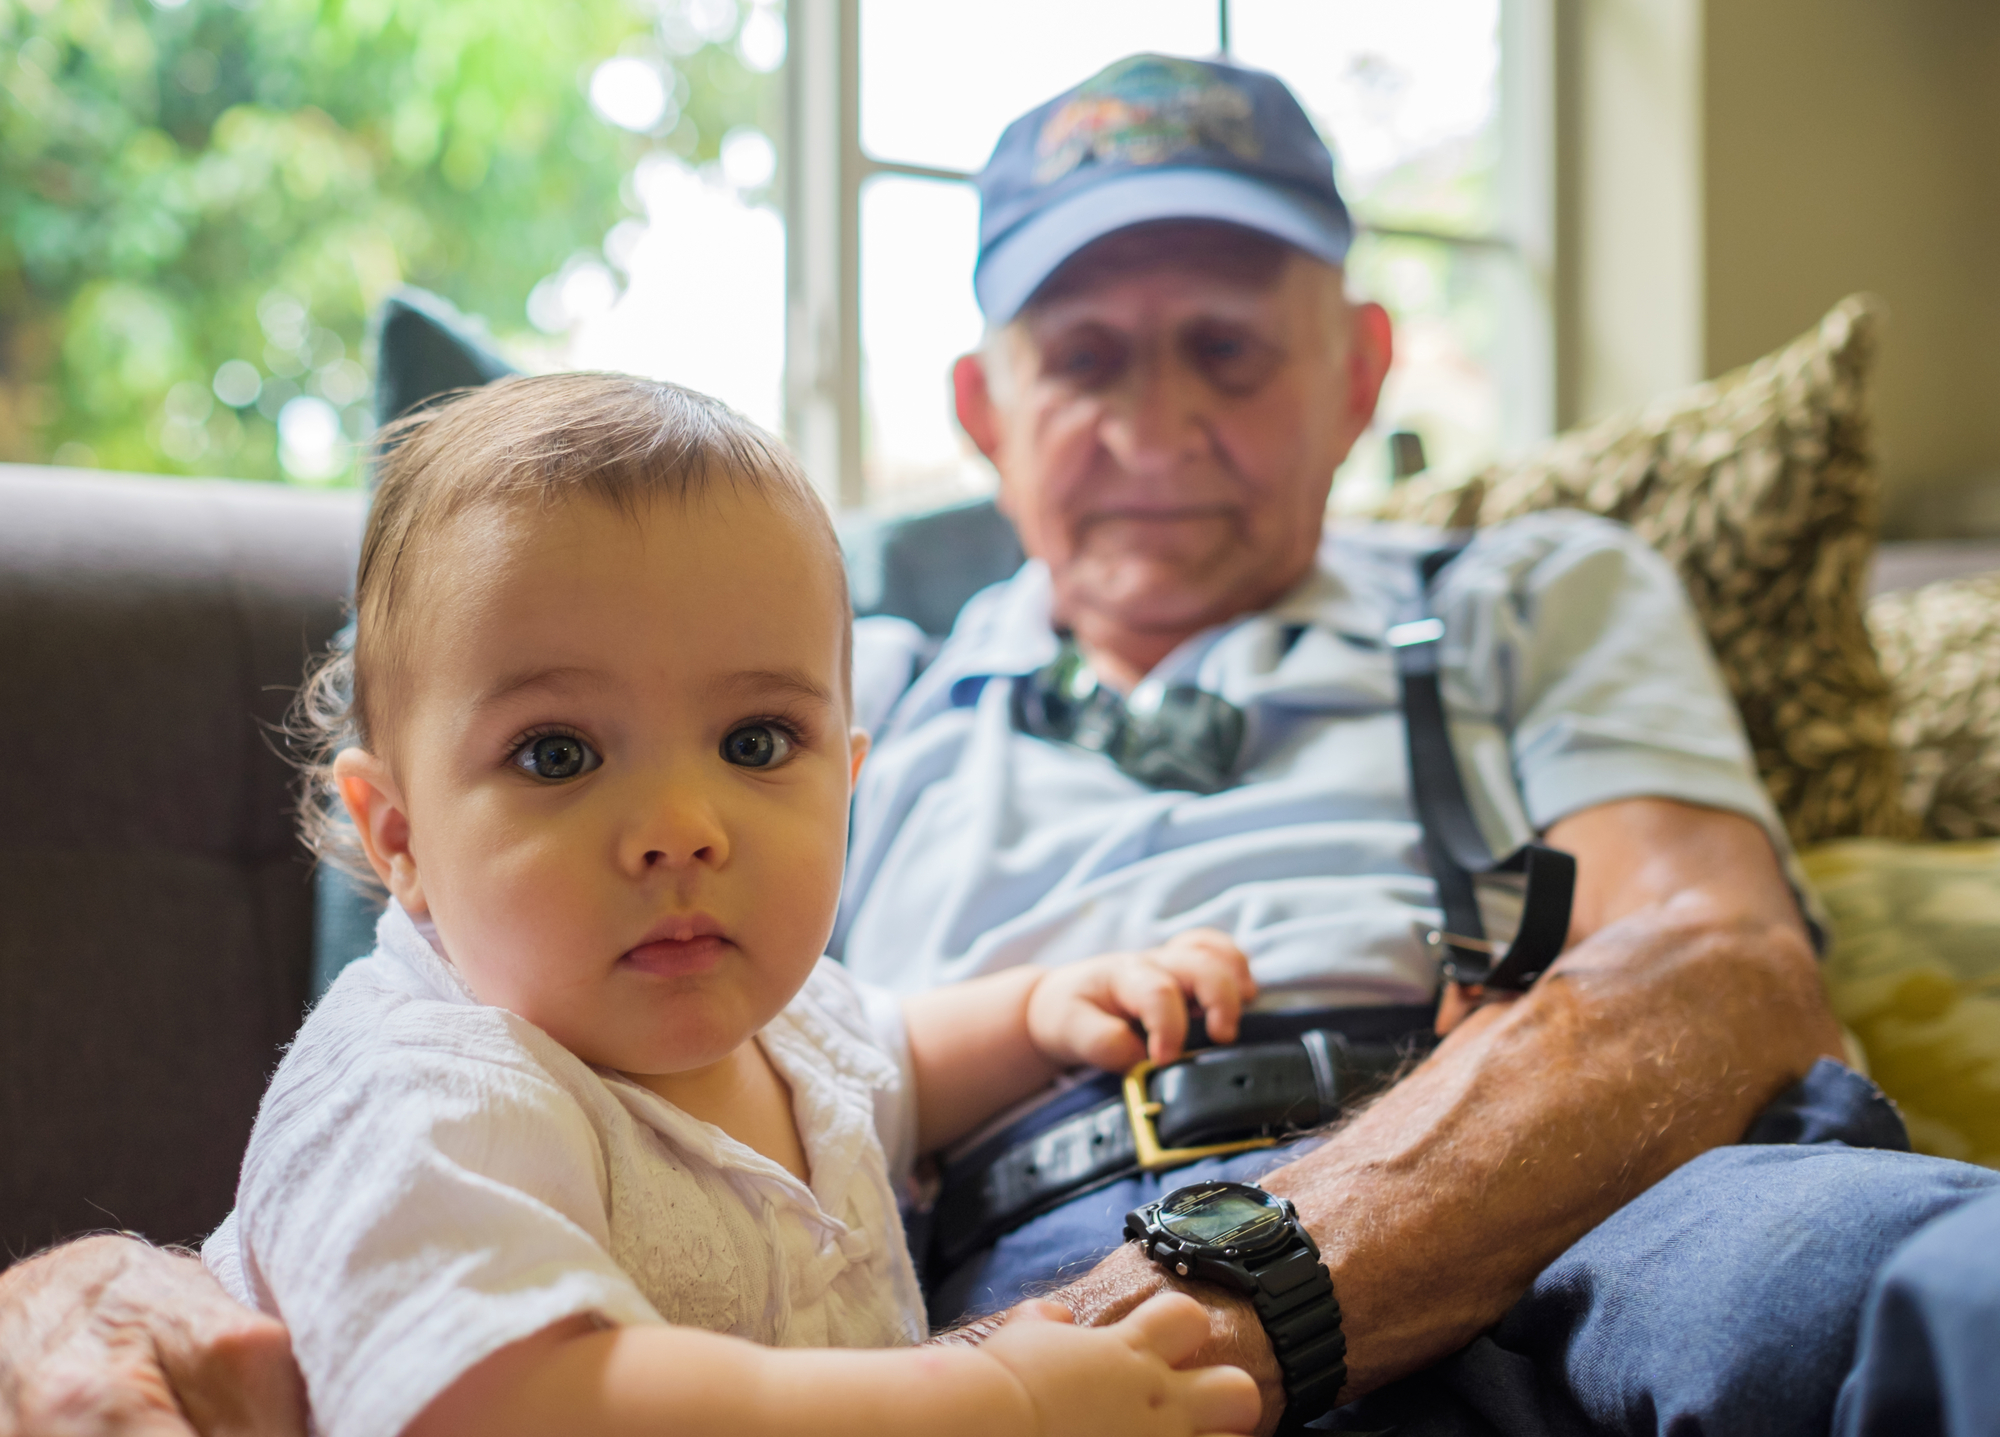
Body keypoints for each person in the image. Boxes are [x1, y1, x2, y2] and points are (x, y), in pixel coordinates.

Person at [4, 52, 1998, 1437]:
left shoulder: (1519, 589)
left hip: (1574, 1185)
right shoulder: (808, 678)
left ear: (1357, 369)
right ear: (978, 404)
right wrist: (106, 1275)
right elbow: (461, 1087)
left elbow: (1717, 970)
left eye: (1225, 344)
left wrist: (1272, 1269)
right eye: (1082, 356)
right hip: (1029, 1267)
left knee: (1905, 1294)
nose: (1150, 421)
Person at [200, 371, 1262, 1437]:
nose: (680, 824)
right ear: (400, 837)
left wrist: (1039, 1010)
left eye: (753, 742)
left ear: (846, 780)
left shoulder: (781, 1029)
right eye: (557, 754)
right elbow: (511, 1405)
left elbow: (898, 1067)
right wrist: (990, 1400)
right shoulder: (427, 1093)